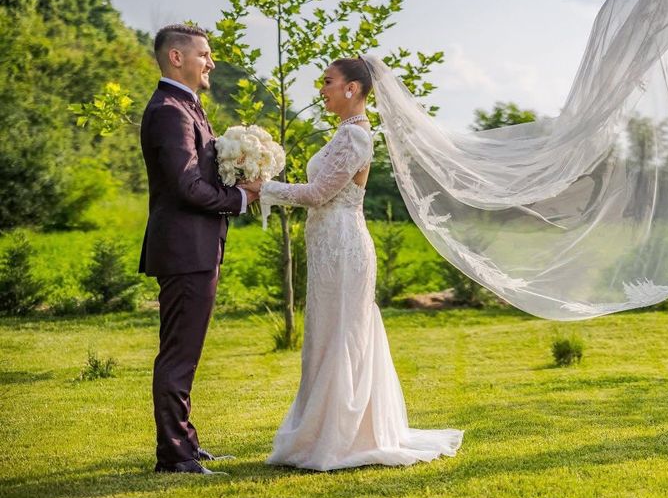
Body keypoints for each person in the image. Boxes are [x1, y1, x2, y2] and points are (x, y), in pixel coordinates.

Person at [261, 56, 463, 471]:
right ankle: (322, 430)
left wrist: (261, 187)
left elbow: (318, 193)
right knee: (326, 333)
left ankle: (341, 436)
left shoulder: (356, 139)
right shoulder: (343, 134)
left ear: (353, 88)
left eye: (329, 82)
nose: (323, 89)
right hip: (328, 245)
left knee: (341, 334)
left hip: (344, 247)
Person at [139, 24, 261, 475]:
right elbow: (187, 186)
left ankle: (185, 445)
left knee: (184, 353)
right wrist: (242, 198)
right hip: (185, 249)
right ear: (176, 57)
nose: (211, 63)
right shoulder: (171, 111)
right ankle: (175, 457)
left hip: (195, 248)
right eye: (205, 55)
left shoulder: (187, 107)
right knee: (178, 354)